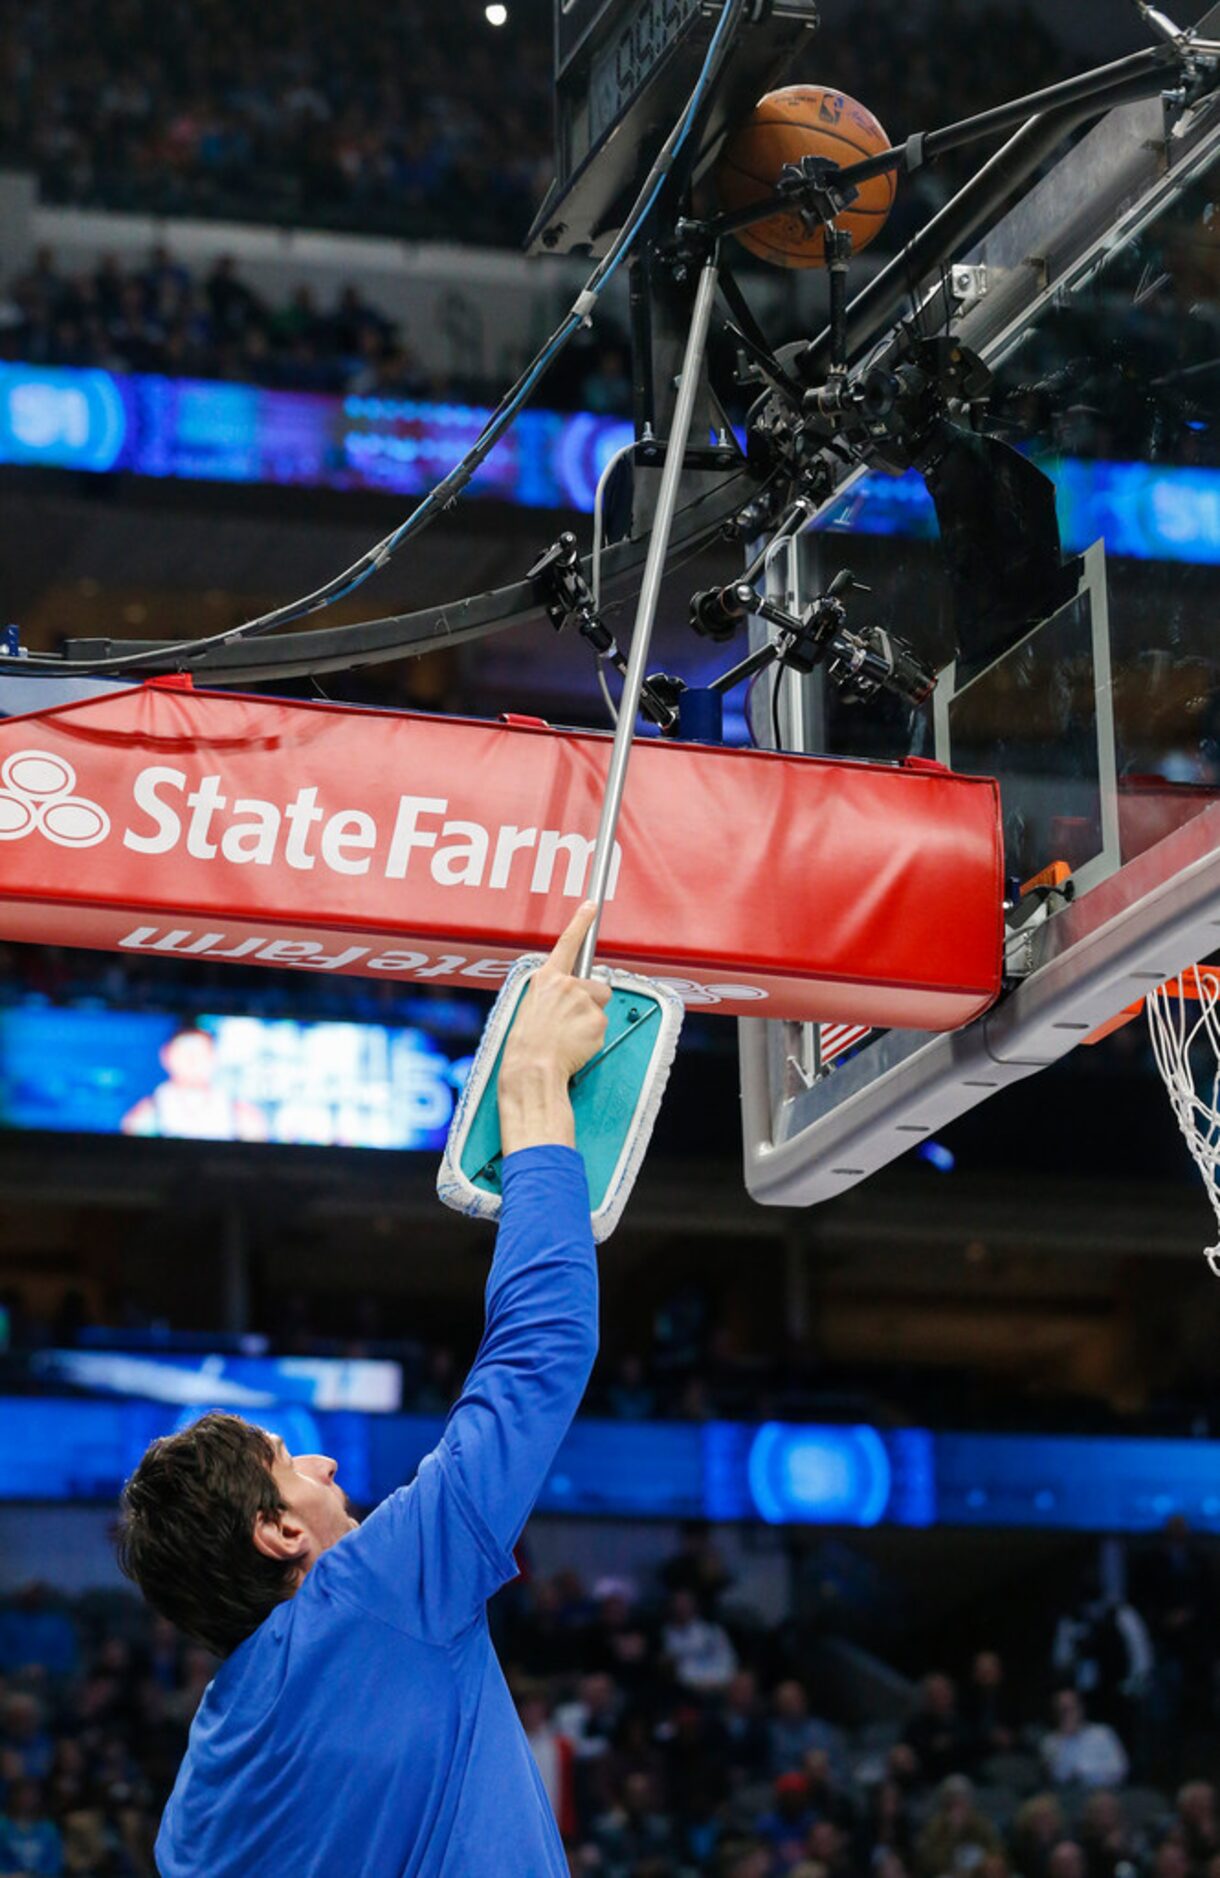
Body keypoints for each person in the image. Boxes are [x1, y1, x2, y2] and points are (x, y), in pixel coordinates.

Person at [115, 903, 612, 1876]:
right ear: (279, 1534)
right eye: (286, 1461)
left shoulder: (197, 1808)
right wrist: (533, 1090)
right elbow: (535, 1355)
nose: (322, 1460)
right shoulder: (376, 1592)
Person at [1040, 1689, 1129, 1790]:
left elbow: (1119, 1770)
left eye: (1071, 1709)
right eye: (1062, 1710)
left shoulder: (1102, 1734)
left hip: (1102, 1791)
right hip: (1067, 1795)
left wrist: (1086, 1775)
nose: (1067, 1715)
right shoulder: (1050, 1742)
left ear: (1080, 1709)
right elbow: (1056, 1776)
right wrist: (1064, 1739)